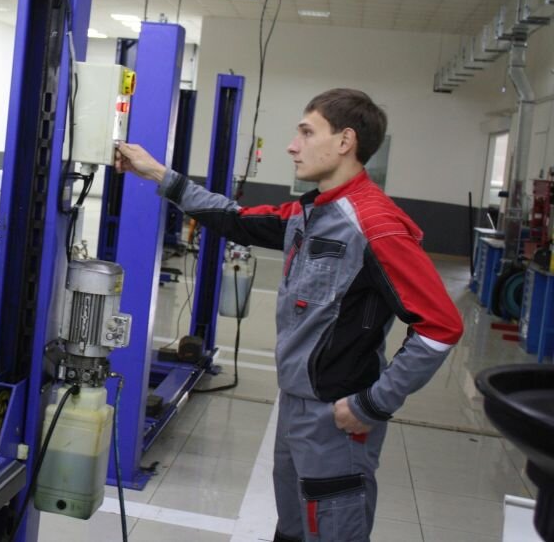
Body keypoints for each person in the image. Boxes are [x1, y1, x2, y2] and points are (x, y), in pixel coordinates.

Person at [115, 88, 464, 542]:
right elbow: (234, 218)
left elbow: (440, 327)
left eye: (306, 132)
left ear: (345, 141)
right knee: (294, 529)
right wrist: (157, 173)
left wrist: (374, 403)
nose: (292, 146)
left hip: (337, 415)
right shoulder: (309, 212)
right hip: (295, 405)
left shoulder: (375, 225)